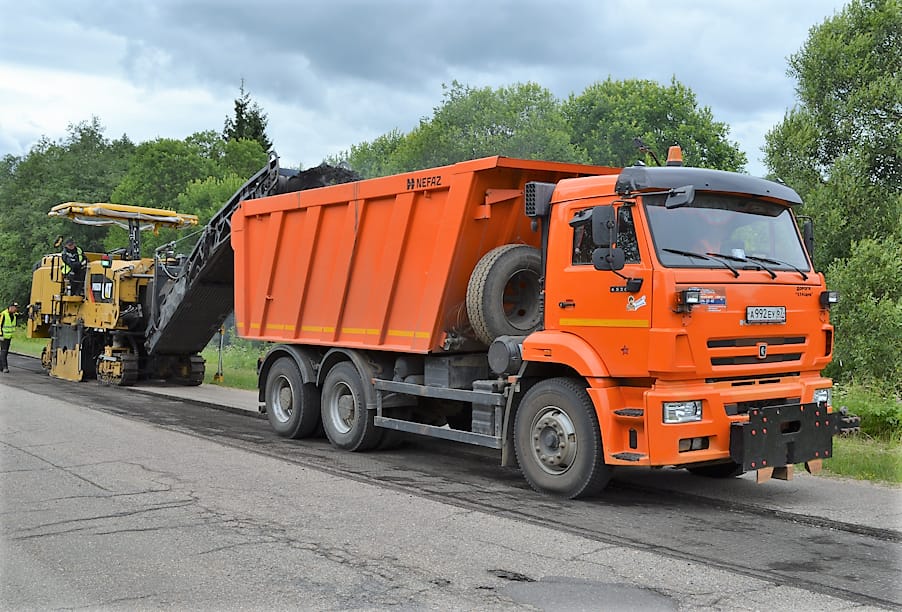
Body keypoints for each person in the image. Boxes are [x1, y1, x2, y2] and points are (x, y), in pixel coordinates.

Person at [0, 301, 19, 373]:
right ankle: (5, 367)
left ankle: (1, 366)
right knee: (4, 351)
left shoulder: (14, 315)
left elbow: (22, 315)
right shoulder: (3, 314)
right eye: (15, 308)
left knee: (5, 352)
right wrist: (0, 335)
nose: (16, 309)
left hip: (9, 336)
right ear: (10, 307)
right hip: (3, 337)